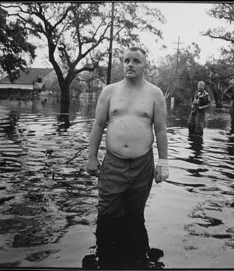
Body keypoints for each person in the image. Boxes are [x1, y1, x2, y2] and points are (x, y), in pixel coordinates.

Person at [86, 46, 169, 268]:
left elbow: (161, 130)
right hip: (113, 163)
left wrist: (163, 162)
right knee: (106, 215)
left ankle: (135, 261)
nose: (130, 64)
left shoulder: (155, 94)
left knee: (134, 216)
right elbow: (98, 124)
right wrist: (91, 156)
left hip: (143, 164)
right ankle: (106, 259)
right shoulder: (109, 92)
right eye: (126, 60)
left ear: (145, 66)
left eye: (136, 61)